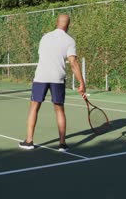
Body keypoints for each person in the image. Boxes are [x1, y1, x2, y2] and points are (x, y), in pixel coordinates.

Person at [19, 14, 85, 152]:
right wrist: (81, 83)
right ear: (68, 25)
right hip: (57, 79)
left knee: (34, 108)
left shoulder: (44, 37)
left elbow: (42, 55)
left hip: (41, 77)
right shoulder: (70, 40)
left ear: (57, 23)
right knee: (59, 110)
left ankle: (29, 141)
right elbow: (73, 62)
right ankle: (62, 144)